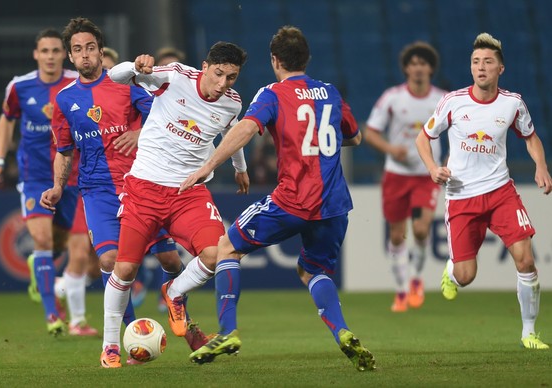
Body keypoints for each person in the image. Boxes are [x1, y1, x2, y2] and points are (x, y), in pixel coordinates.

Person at [180, 26, 376, 371]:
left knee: (227, 248)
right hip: (334, 205)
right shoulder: (330, 92)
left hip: (293, 199)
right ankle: (342, 332)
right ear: (307, 58)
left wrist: (208, 165)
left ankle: (227, 331)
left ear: (275, 60)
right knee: (313, 270)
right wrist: (314, 142)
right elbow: (356, 138)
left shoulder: (272, 94)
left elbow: (244, 128)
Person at [39, 17, 208, 367]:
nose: (85, 55)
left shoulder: (129, 85)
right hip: (98, 190)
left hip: (142, 183)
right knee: (111, 261)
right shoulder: (65, 100)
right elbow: (64, 149)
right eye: (77, 50)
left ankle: (184, 320)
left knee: (171, 261)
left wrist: (139, 133)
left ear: (101, 51)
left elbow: (163, 119)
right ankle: (121, 339)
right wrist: (57, 187)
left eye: (90, 48)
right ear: (71, 57)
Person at [104, 40, 249, 366]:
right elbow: (115, 76)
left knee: (218, 254)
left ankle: (173, 292)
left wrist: (240, 168)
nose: (222, 84)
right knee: (125, 268)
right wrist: (134, 66)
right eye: (218, 74)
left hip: (189, 193)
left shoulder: (232, 103)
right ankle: (110, 344)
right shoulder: (174, 76)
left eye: (232, 77)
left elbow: (233, 133)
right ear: (205, 66)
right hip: (144, 188)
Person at [416, 32, 552, 349]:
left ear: (500, 68)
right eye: (476, 62)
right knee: (466, 275)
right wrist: (433, 169)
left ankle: (529, 332)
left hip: (500, 191)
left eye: (488, 62)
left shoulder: (512, 103)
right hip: (462, 195)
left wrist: (541, 166)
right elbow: (424, 138)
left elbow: (530, 136)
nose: (481, 67)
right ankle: (452, 269)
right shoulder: (453, 102)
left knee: (526, 260)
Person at [0, 28, 96, 336]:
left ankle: (70, 310)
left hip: (72, 178)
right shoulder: (19, 86)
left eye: (55, 51)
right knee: (44, 240)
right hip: (34, 178)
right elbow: (7, 119)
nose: (50, 56)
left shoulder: (76, 84)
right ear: (36, 54)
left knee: (75, 250)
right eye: (44, 51)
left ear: (64, 54)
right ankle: (53, 315)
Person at [364, 42, 446, 312]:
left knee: (421, 230)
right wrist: (390, 149)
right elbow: (371, 131)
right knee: (397, 235)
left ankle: (416, 280)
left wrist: (447, 161)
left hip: (426, 174)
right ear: (407, 68)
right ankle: (400, 291)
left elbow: (460, 133)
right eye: (414, 63)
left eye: (424, 63)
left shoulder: (443, 100)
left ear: (431, 68)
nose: (419, 68)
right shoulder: (393, 98)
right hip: (397, 175)